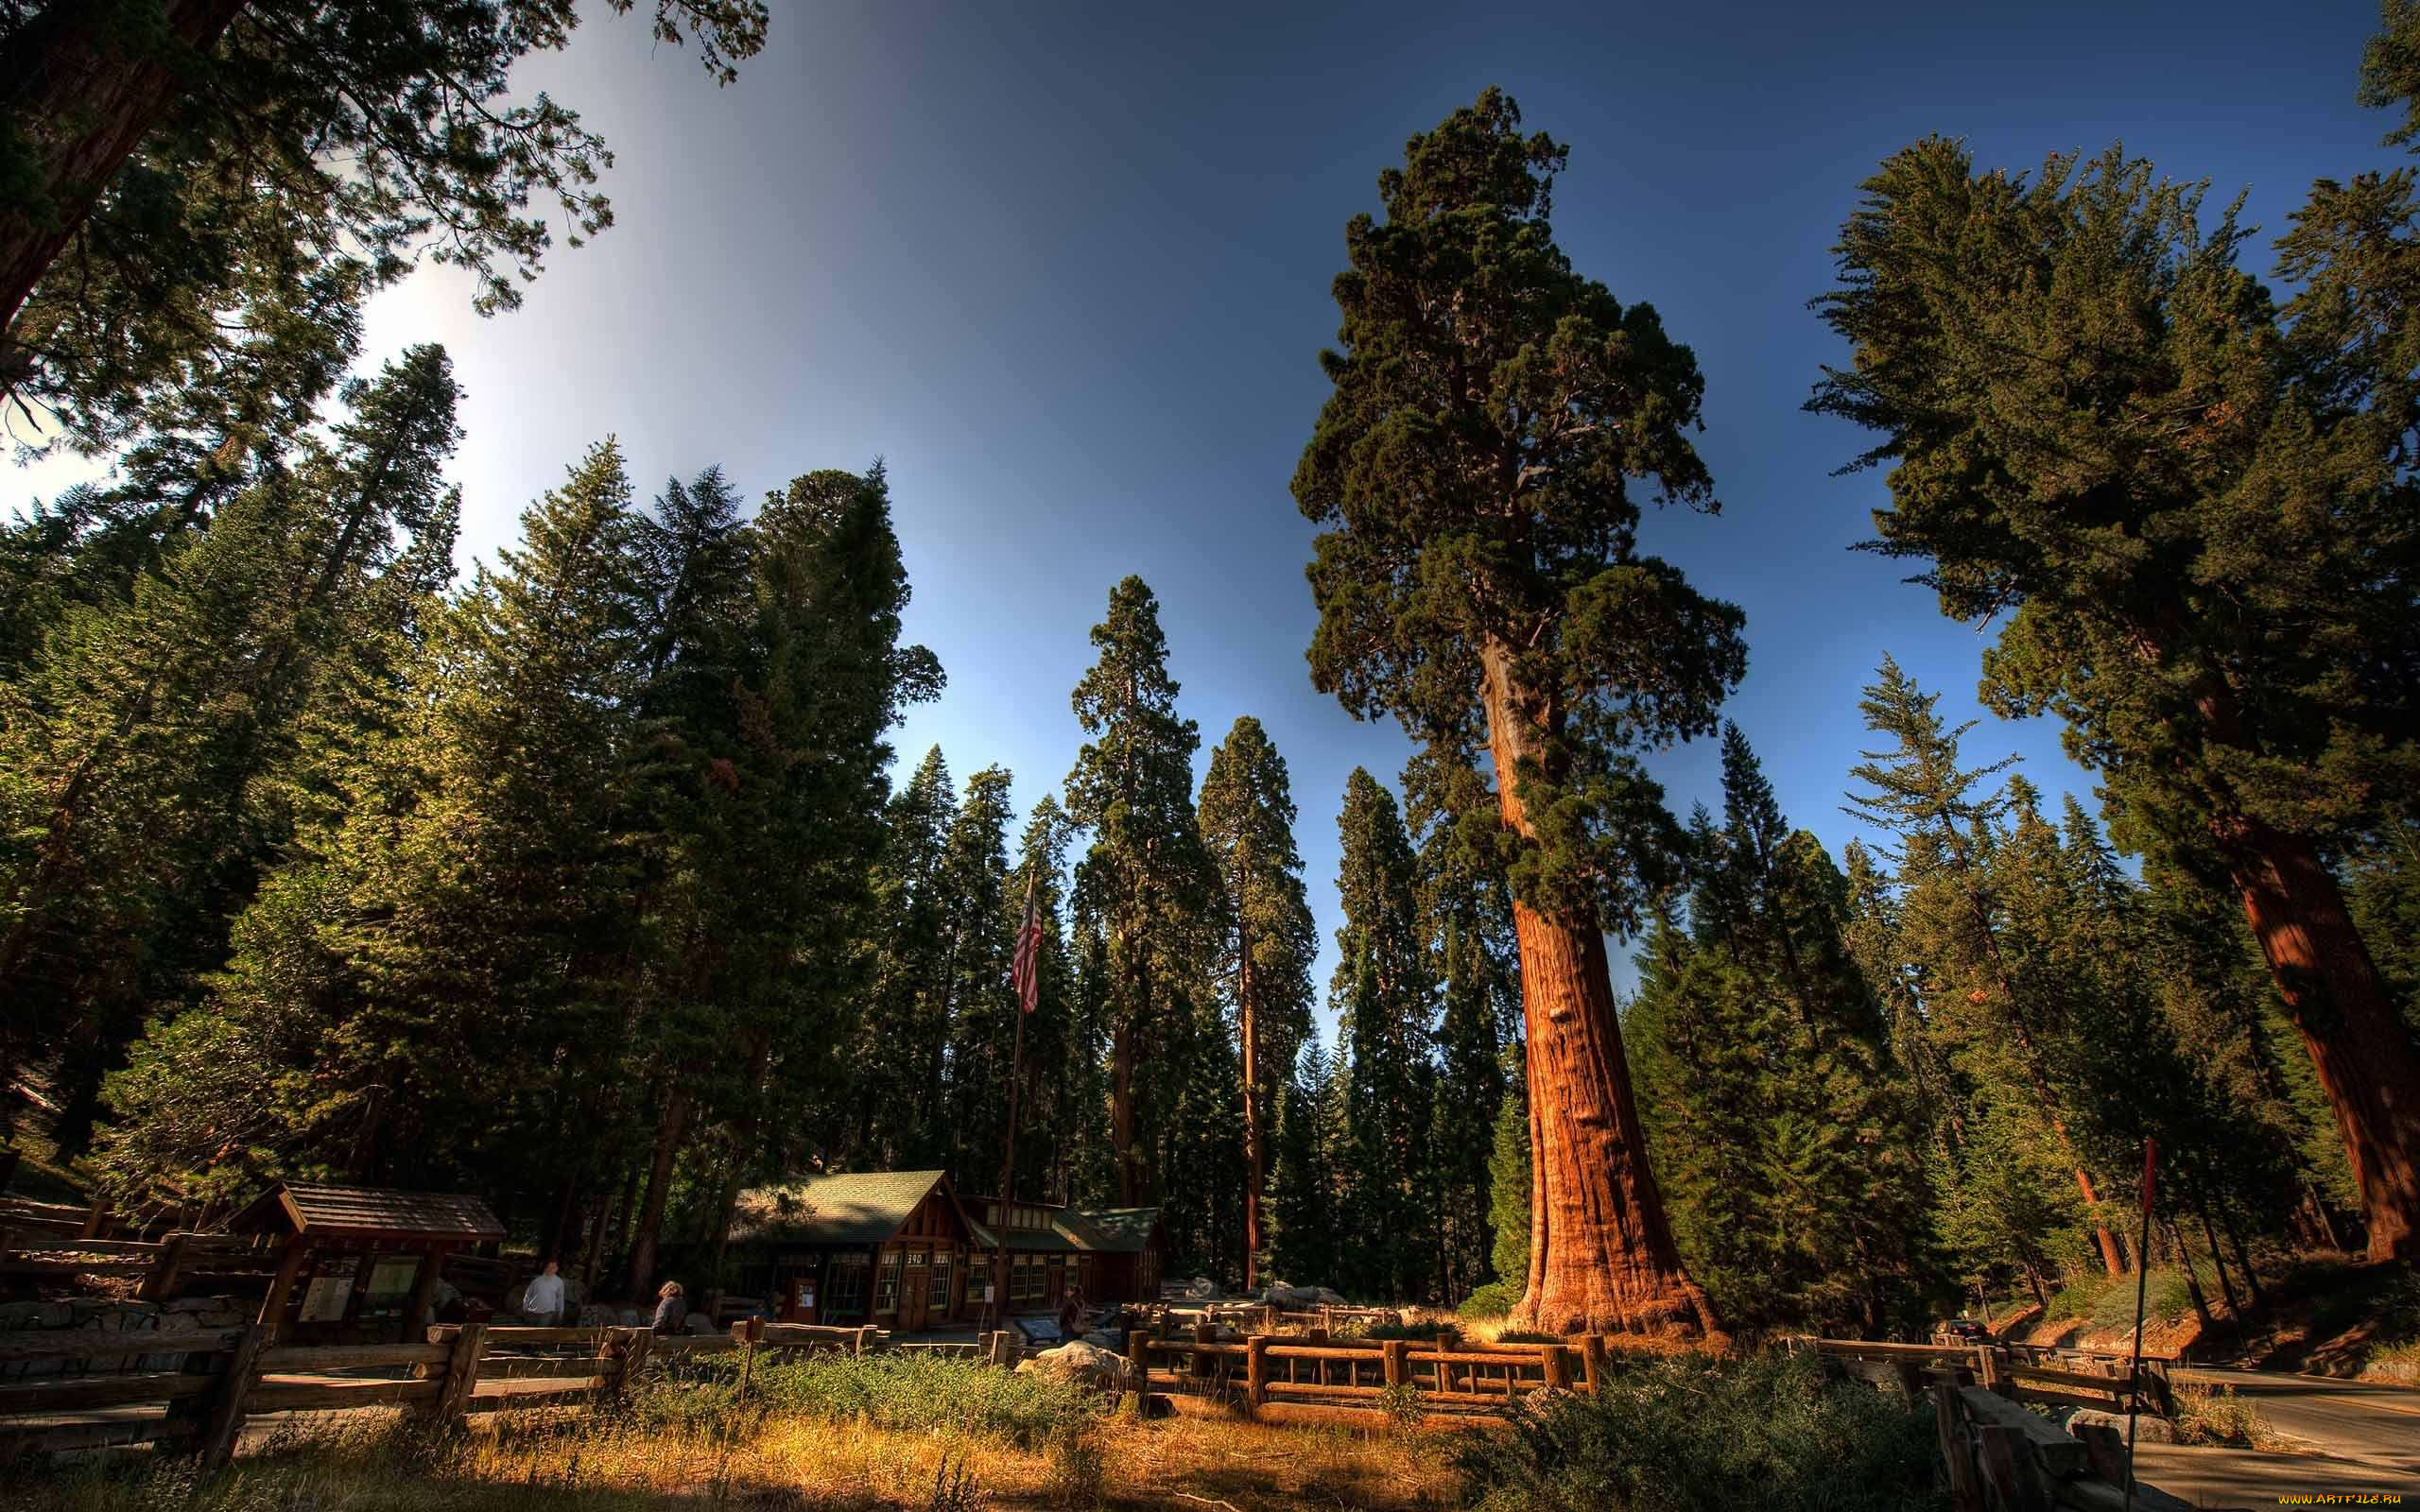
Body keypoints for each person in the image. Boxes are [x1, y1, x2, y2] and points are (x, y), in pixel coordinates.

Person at [522, 1259, 565, 1325]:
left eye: (553, 1267)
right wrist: (525, 1307)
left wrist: (560, 1312)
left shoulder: (559, 1282)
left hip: (547, 1314)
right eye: (549, 1267)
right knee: (528, 1332)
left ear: (557, 1269)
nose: (550, 1269)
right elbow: (528, 1294)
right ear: (545, 1268)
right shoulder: (537, 1280)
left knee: (541, 1333)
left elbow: (560, 1298)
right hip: (532, 1312)